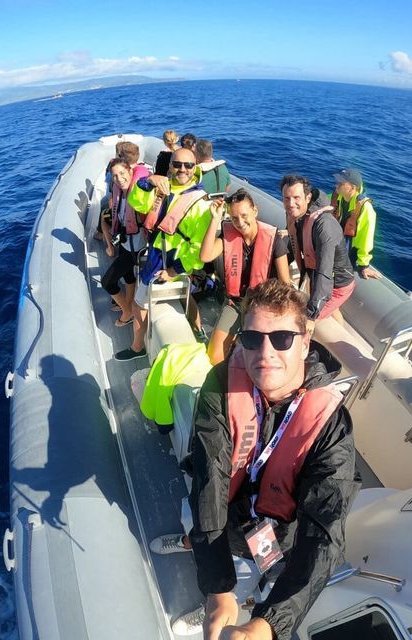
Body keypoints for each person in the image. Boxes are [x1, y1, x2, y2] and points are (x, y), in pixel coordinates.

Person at [158, 279, 359, 638]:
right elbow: (210, 480)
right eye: (253, 338)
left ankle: (234, 603)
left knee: (245, 584)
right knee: (204, 538)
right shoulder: (220, 386)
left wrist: (267, 627)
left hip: (272, 536)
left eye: (282, 338)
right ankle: (212, 595)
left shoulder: (331, 425)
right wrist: (218, 587)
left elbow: (324, 535)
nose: (265, 352)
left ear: (304, 344)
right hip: (221, 516)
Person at [114, 147, 212, 361]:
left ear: (195, 167)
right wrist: (147, 182)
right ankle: (198, 331)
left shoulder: (201, 203)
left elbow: (197, 247)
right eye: (177, 164)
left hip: (172, 261)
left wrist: (173, 270)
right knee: (188, 299)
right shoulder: (163, 189)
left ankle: (137, 347)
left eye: (187, 165)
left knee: (139, 306)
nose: (182, 169)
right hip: (159, 253)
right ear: (170, 166)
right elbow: (136, 202)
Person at [199, 188, 290, 364]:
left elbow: (286, 283)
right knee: (214, 355)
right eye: (234, 218)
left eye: (244, 215)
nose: (239, 222)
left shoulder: (274, 240)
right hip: (236, 303)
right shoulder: (229, 235)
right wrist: (215, 219)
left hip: (262, 306)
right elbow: (205, 256)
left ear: (255, 211)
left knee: (257, 356)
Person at [281, 175, 356, 329]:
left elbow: (325, 273)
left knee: (301, 323)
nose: (291, 203)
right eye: (286, 198)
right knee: (333, 311)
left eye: (296, 197)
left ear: (308, 197)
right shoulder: (296, 215)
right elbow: (294, 243)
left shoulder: (324, 226)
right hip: (314, 274)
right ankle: (340, 329)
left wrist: (310, 315)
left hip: (337, 284)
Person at [100, 158, 146, 326]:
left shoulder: (139, 190)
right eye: (115, 176)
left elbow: (149, 184)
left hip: (138, 247)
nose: (119, 179)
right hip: (127, 243)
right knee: (127, 275)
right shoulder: (120, 193)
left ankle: (128, 311)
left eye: (122, 173)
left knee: (107, 282)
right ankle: (128, 301)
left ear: (130, 172)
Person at [331, 168, 381, 280]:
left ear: (353, 188)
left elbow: (366, 238)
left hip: (349, 254)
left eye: (341, 182)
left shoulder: (365, 208)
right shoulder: (336, 196)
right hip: (334, 246)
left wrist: (363, 265)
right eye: (337, 181)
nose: (337, 184)